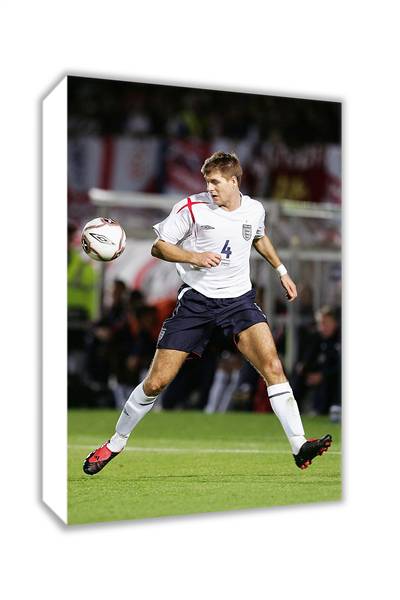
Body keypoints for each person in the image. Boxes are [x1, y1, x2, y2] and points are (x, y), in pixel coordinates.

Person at [83, 151, 332, 475]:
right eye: (207, 182)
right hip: (196, 303)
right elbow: (159, 246)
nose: (210, 188)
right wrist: (193, 256)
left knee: (273, 366)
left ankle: (299, 445)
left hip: (238, 301)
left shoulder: (254, 209)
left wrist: (281, 269)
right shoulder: (192, 208)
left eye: (215, 182)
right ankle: (115, 443)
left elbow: (259, 236)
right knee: (157, 382)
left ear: (233, 181)